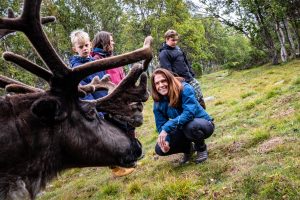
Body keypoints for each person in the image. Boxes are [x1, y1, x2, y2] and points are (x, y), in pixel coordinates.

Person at [91, 31, 136, 177]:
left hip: (122, 100)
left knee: (129, 126)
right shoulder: (96, 61)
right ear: (103, 42)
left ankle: (130, 157)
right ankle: (117, 165)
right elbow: (101, 84)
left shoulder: (112, 58)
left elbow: (121, 78)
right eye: (111, 40)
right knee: (116, 132)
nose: (113, 43)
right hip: (110, 103)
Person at [151, 68, 214, 164]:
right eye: (157, 83)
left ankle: (201, 149)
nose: (161, 85)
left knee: (190, 126)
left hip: (202, 124)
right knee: (159, 149)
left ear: (170, 79)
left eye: (163, 81)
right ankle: (188, 150)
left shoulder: (185, 88)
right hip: (183, 128)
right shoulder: (158, 102)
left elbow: (189, 113)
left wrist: (167, 128)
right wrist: (166, 141)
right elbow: (161, 124)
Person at [159, 29, 206, 109]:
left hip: (189, 78)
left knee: (199, 97)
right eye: (173, 40)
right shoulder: (164, 53)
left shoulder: (178, 49)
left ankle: (204, 117)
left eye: (176, 40)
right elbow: (167, 71)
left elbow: (186, 62)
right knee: (188, 101)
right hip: (179, 83)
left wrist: (191, 73)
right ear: (166, 39)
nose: (175, 42)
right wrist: (177, 81)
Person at [69, 29, 107, 105]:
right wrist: (96, 111)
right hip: (97, 108)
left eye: (86, 45)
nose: (84, 48)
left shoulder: (97, 63)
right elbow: (84, 93)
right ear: (75, 49)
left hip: (107, 102)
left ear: (90, 45)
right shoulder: (77, 69)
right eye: (81, 47)